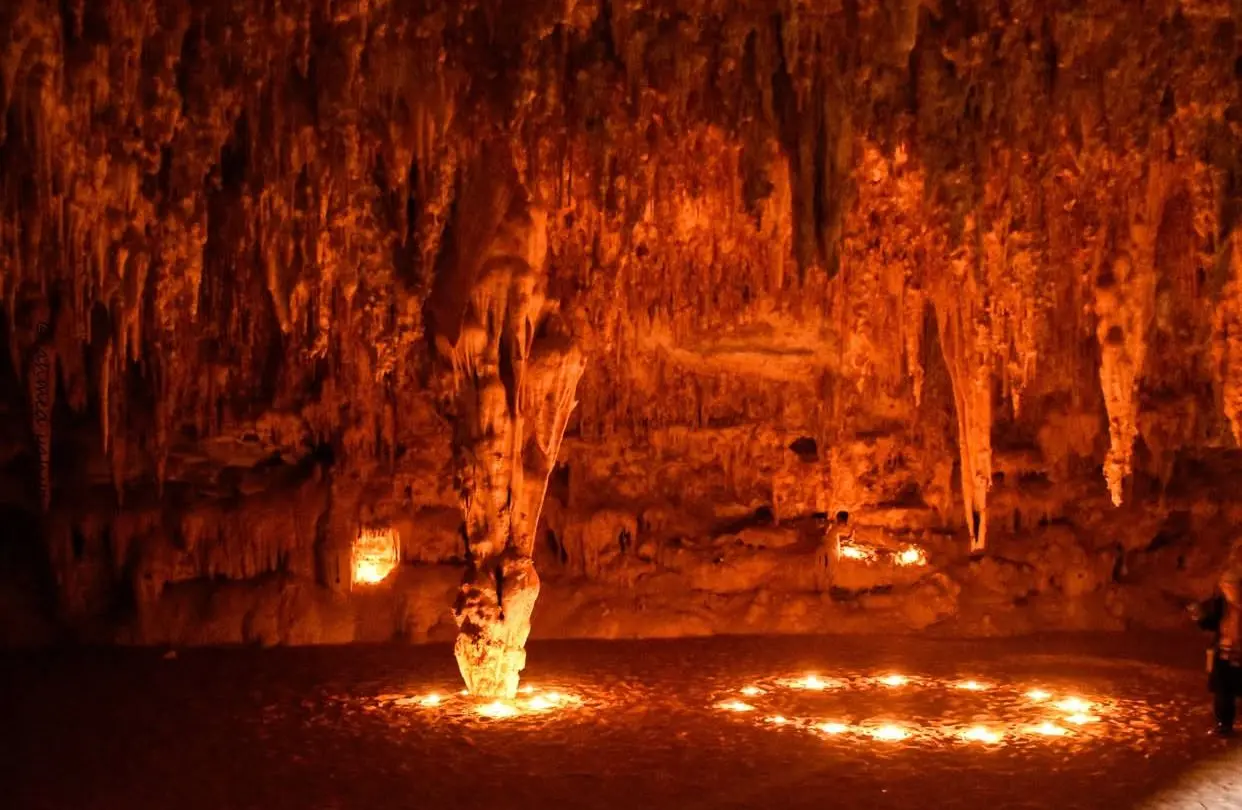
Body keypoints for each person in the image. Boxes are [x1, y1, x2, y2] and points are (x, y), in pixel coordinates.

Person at [1195, 541, 1242, 737]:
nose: (1228, 590)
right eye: (1225, 587)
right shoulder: (1222, 604)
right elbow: (1212, 622)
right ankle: (1224, 725)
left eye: (1231, 586)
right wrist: (1199, 617)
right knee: (1223, 691)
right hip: (1224, 652)